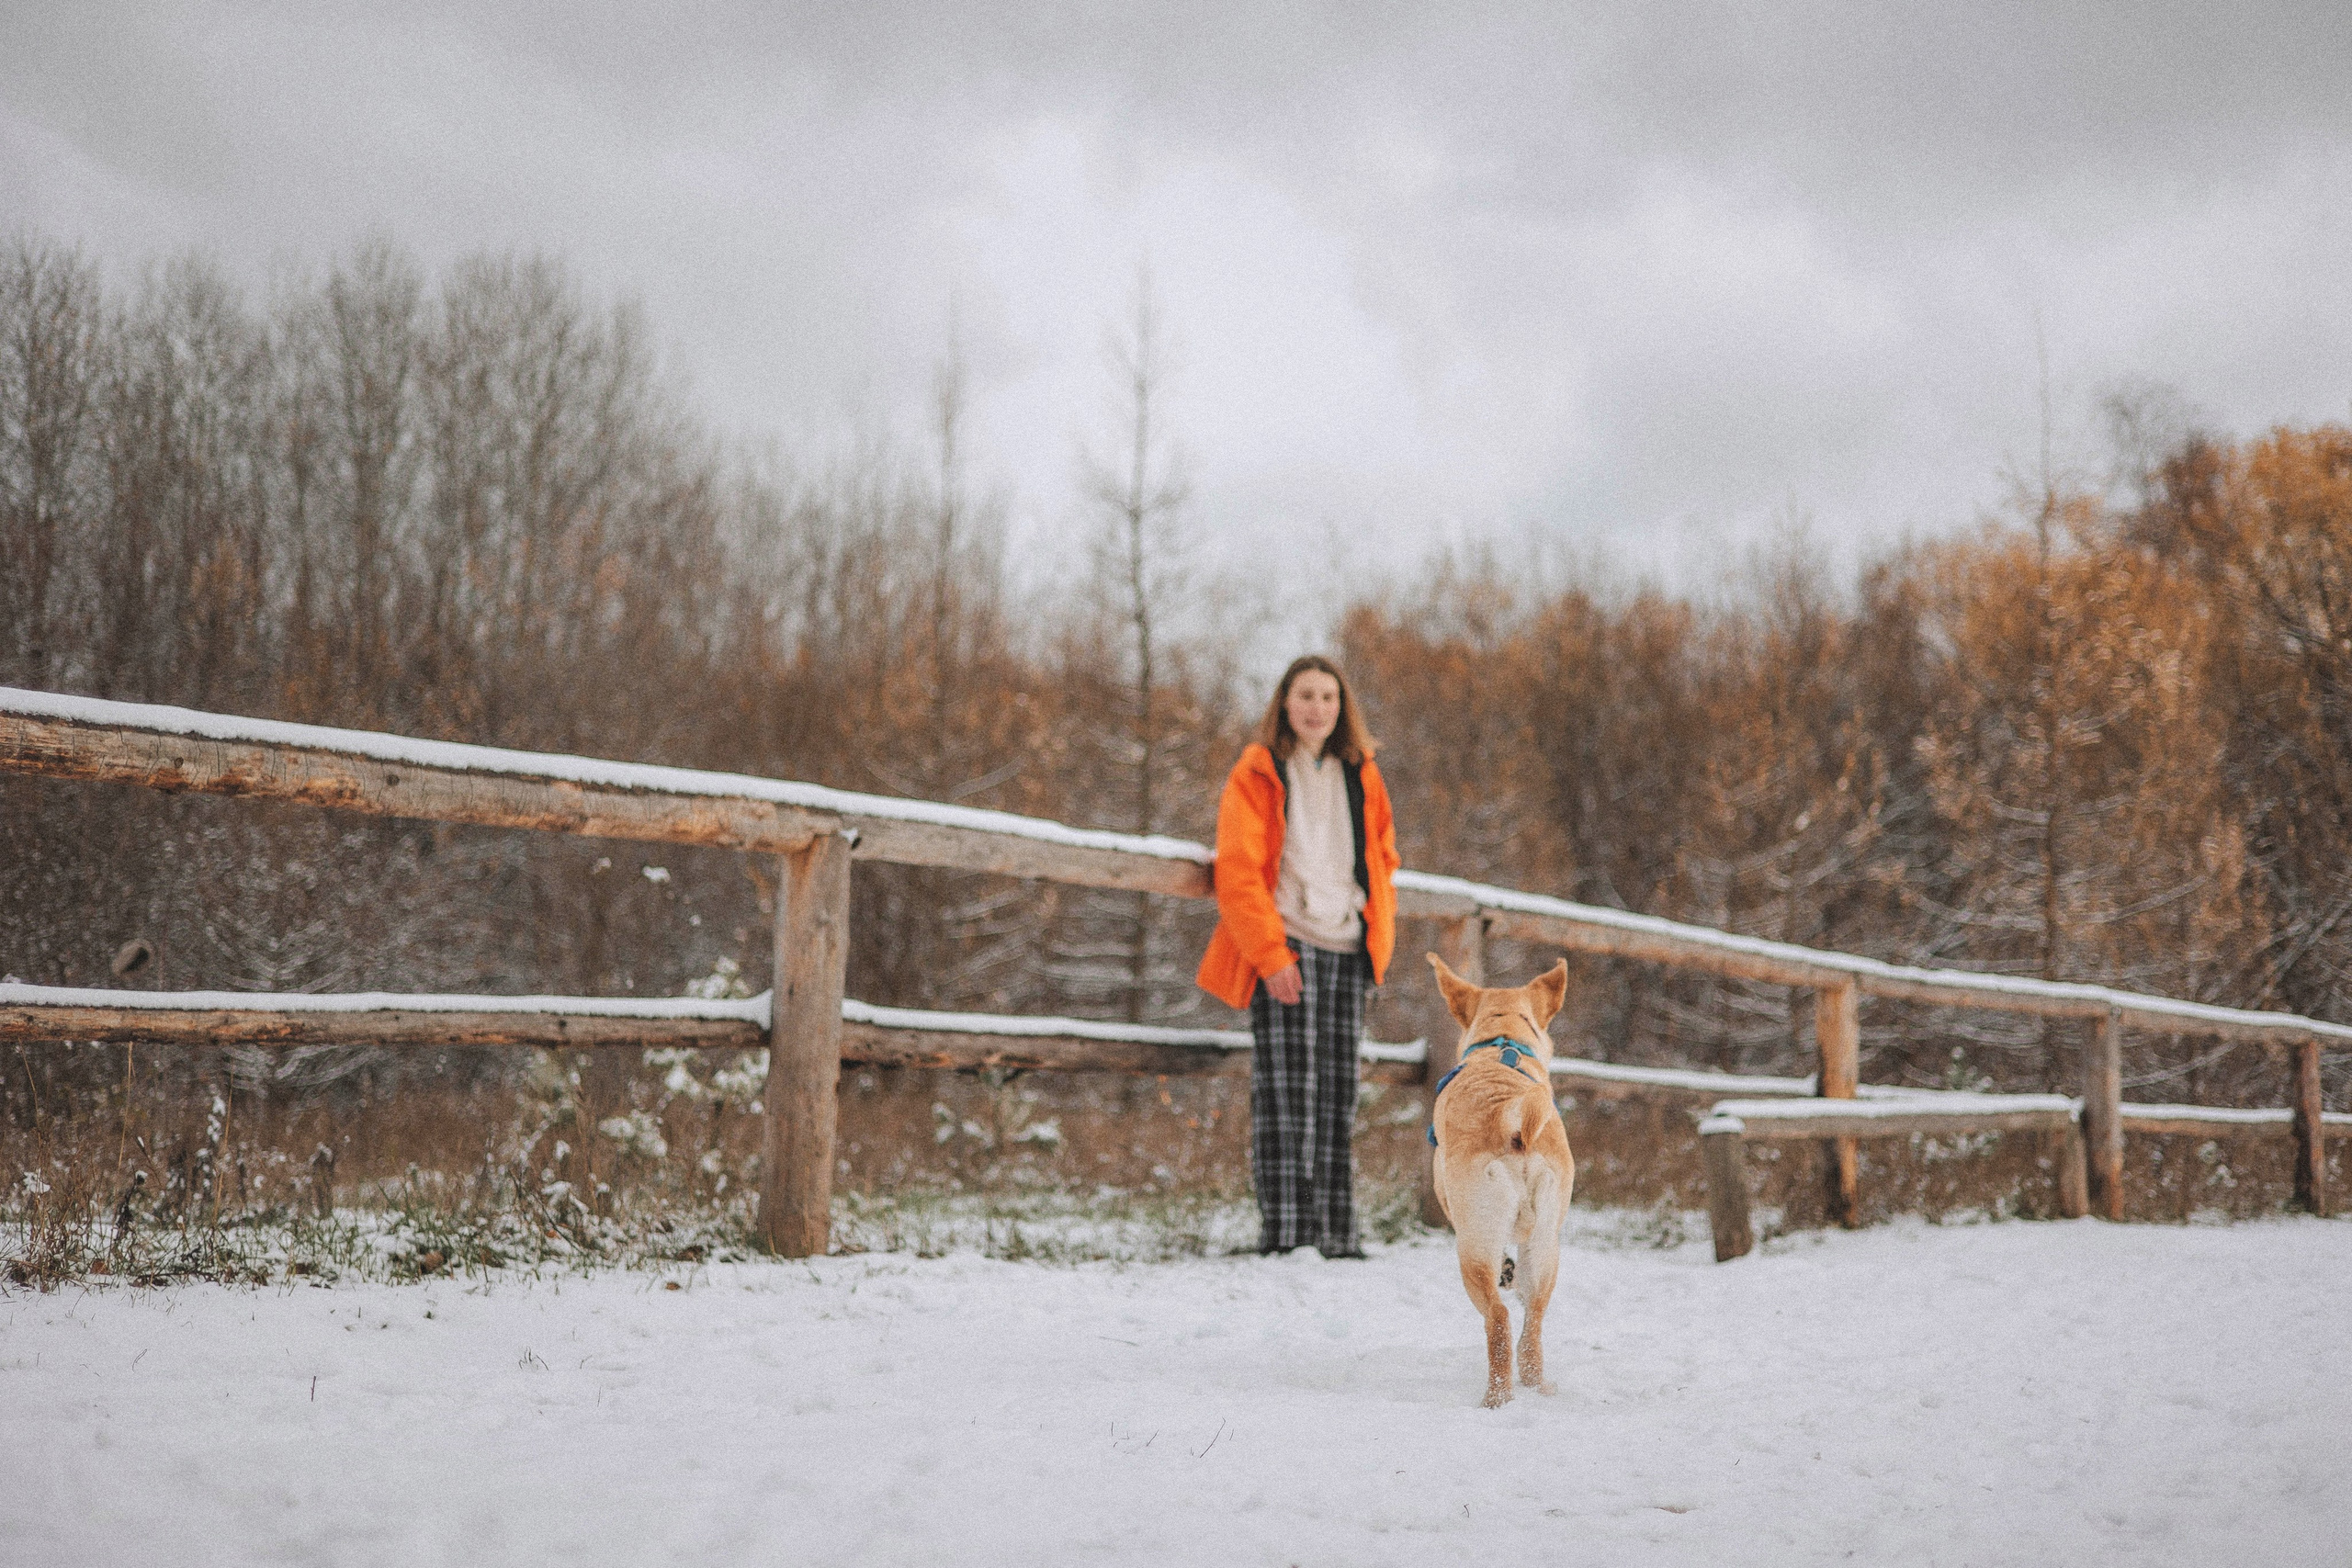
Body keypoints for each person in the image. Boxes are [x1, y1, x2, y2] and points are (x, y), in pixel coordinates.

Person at [1196, 654, 1399, 1257]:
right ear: (1285, 702)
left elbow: (1384, 853)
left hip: (1348, 946)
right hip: (1287, 945)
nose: (1317, 707)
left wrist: (1375, 937)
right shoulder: (1257, 771)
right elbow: (1236, 869)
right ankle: (1287, 1235)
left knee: (1338, 1096)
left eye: (1329, 697)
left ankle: (1338, 1236)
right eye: (1306, 695)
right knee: (1287, 1096)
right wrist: (1270, 955)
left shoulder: (1362, 772)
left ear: (1343, 708)